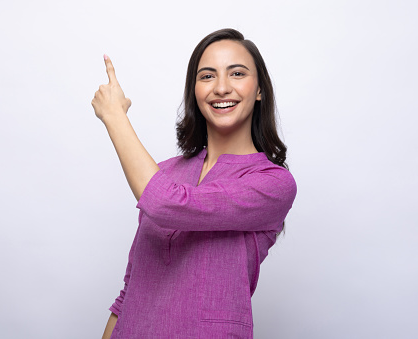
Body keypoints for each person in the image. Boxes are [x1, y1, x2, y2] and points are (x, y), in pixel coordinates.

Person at [91, 28, 297, 339]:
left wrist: (115, 116)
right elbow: (130, 291)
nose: (222, 88)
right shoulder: (161, 174)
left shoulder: (273, 184)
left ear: (259, 90)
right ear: (195, 91)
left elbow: (167, 203)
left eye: (237, 73)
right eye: (207, 76)